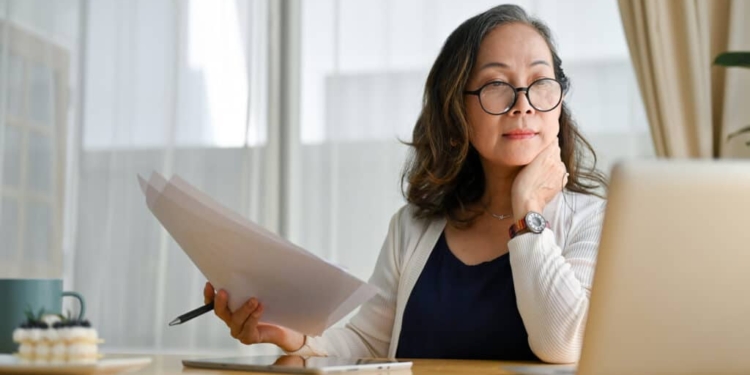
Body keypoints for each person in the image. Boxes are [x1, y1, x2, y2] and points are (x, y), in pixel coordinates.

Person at [203, 4, 607, 364]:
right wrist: (297, 339)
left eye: (540, 82)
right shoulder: (412, 227)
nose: (523, 102)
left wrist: (527, 211)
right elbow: (367, 341)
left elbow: (563, 345)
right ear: (457, 110)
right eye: (496, 85)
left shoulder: (594, 220)